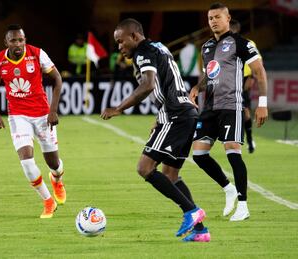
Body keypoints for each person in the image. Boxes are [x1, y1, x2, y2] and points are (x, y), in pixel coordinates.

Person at [101, 18, 210, 242]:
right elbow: (164, 84)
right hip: (183, 114)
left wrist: (119, 108)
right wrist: (159, 119)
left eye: (121, 41)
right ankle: (200, 231)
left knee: (145, 167)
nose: (119, 47)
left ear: (134, 36)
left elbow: (148, 84)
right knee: (170, 175)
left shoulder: (143, 52)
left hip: (176, 115)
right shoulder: (159, 47)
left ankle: (192, 212)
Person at [189, 3, 268, 221]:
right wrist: (197, 88)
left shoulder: (241, 43)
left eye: (217, 17)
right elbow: (210, 75)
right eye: (210, 18)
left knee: (232, 151)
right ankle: (228, 188)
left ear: (227, 18)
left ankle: (243, 205)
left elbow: (260, 72)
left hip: (231, 105)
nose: (213, 21)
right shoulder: (205, 47)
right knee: (199, 155)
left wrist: (262, 103)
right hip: (210, 108)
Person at [0, 24, 66, 219]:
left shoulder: (37, 54)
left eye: (21, 40)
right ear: (6, 42)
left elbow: (57, 79)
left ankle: (57, 179)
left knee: (54, 163)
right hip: (17, 116)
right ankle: (48, 202)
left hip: (42, 115)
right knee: (26, 160)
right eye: (13, 40)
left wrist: (53, 110)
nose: (18, 44)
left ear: (25, 41)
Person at [230, 19, 258, 153]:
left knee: (245, 112)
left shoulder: (248, 43)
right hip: (228, 81)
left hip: (244, 79)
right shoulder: (222, 44)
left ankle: (250, 139)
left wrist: (252, 77)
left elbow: (257, 63)